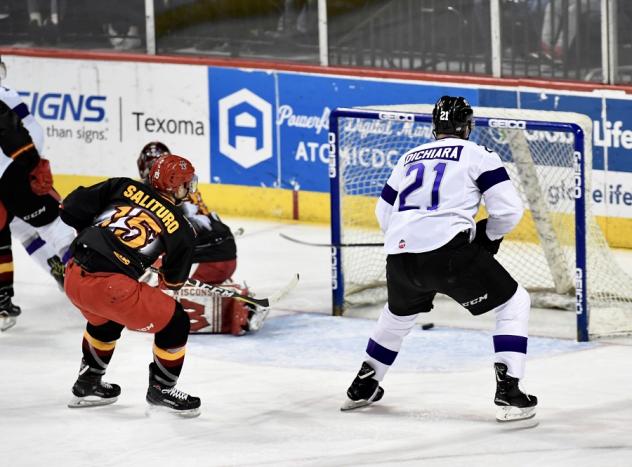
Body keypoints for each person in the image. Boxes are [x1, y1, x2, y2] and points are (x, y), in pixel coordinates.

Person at [341, 96, 538, 422]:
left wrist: (409, 239)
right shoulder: (478, 154)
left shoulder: (408, 157)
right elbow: (508, 211)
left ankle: (363, 384)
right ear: (468, 126)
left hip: (400, 257)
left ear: (434, 127)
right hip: (449, 254)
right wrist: (488, 237)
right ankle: (510, 392)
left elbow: (383, 213)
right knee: (514, 303)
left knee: (397, 315)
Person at [60, 154, 201, 417]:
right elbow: (172, 282)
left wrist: (95, 234)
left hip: (73, 276)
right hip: (109, 289)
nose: (189, 188)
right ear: (174, 186)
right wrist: (157, 270)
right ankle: (163, 388)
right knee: (176, 322)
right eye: (186, 183)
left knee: (106, 320)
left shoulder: (123, 186)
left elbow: (68, 208)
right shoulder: (181, 228)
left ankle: (88, 382)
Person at [138, 141, 265, 336]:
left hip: (212, 259)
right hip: (222, 252)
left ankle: (238, 310)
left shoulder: (158, 194)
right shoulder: (181, 185)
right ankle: (230, 293)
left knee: (151, 301)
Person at [0, 55, 74, 331]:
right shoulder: (4, 95)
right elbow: (31, 130)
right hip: (14, 177)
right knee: (56, 224)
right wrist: (32, 164)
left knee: (20, 232)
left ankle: (2, 303)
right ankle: (84, 280)